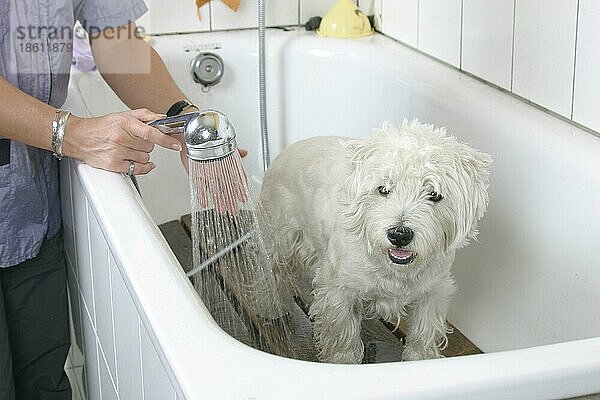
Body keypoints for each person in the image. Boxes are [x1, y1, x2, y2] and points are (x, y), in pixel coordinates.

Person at [0, 1, 244, 399]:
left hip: (31, 206)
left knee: (43, 381)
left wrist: (186, 119)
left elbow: (115, 37)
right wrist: (72, 133)